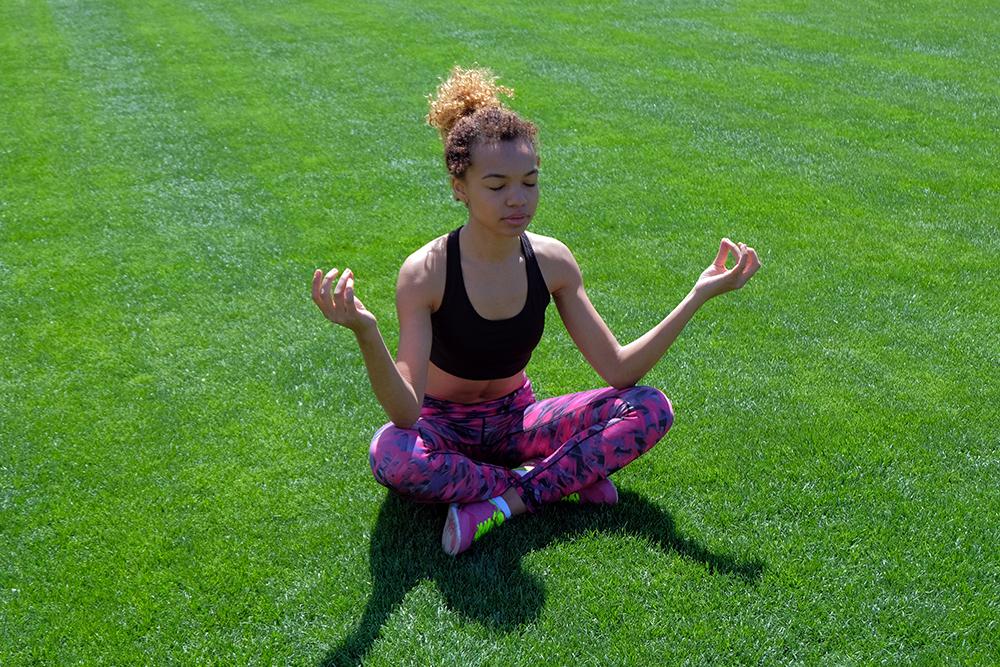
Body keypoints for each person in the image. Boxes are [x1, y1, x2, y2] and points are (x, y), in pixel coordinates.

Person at [311, 66, 760, 556]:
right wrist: (365, 330)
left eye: (529, 181)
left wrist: (697, 295)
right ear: (460, 186)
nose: (517, 199)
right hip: (442, 427)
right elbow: (406, 412)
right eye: (497, 185)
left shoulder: (552, 261)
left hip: (517, 421)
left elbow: (619, 369)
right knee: (392, 454)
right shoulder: (426, 272)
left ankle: (500, 502)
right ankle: (557, 478)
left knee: (650, 407)